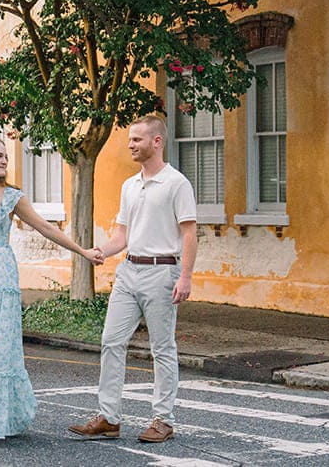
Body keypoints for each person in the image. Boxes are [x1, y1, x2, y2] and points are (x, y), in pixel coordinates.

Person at [0, 137, 103, 445]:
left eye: (5, 156)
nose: (5, 161)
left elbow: (46, 227)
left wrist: (82, 252)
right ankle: (5, 415)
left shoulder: (10, 197)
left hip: (0, 277)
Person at [68, 114, 197, 444]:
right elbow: (123, 236)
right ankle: (109, 417)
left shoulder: (176, 183)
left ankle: (163, 420)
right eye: (129, 140)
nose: (130, 145)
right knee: (111, 340)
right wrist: (102, 251)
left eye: (136, 140)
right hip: (129, 271)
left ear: (157, 142)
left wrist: (185, 277)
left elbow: (189, 233)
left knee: (162, 348)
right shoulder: (129, 185)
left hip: (162, 271)